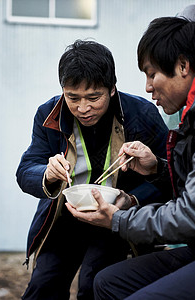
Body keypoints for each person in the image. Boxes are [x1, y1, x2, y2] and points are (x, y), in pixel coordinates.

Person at [66, 17, 195, 299]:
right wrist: (156, 168)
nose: (147, 87)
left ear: (182, 65)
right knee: (107, 282)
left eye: (152, 74)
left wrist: (119, 219)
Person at [16, 39, 169, 299]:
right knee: (43, 285)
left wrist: (132, 199)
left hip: (114, 219)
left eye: (93, 97)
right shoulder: (48, 113)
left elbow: (169, 177)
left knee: (94, 285)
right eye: (72, 98)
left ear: (111, 89)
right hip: (63, 217)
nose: (83, 109)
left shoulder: (141, 114)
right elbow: (25, 170)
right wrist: (46, 174)